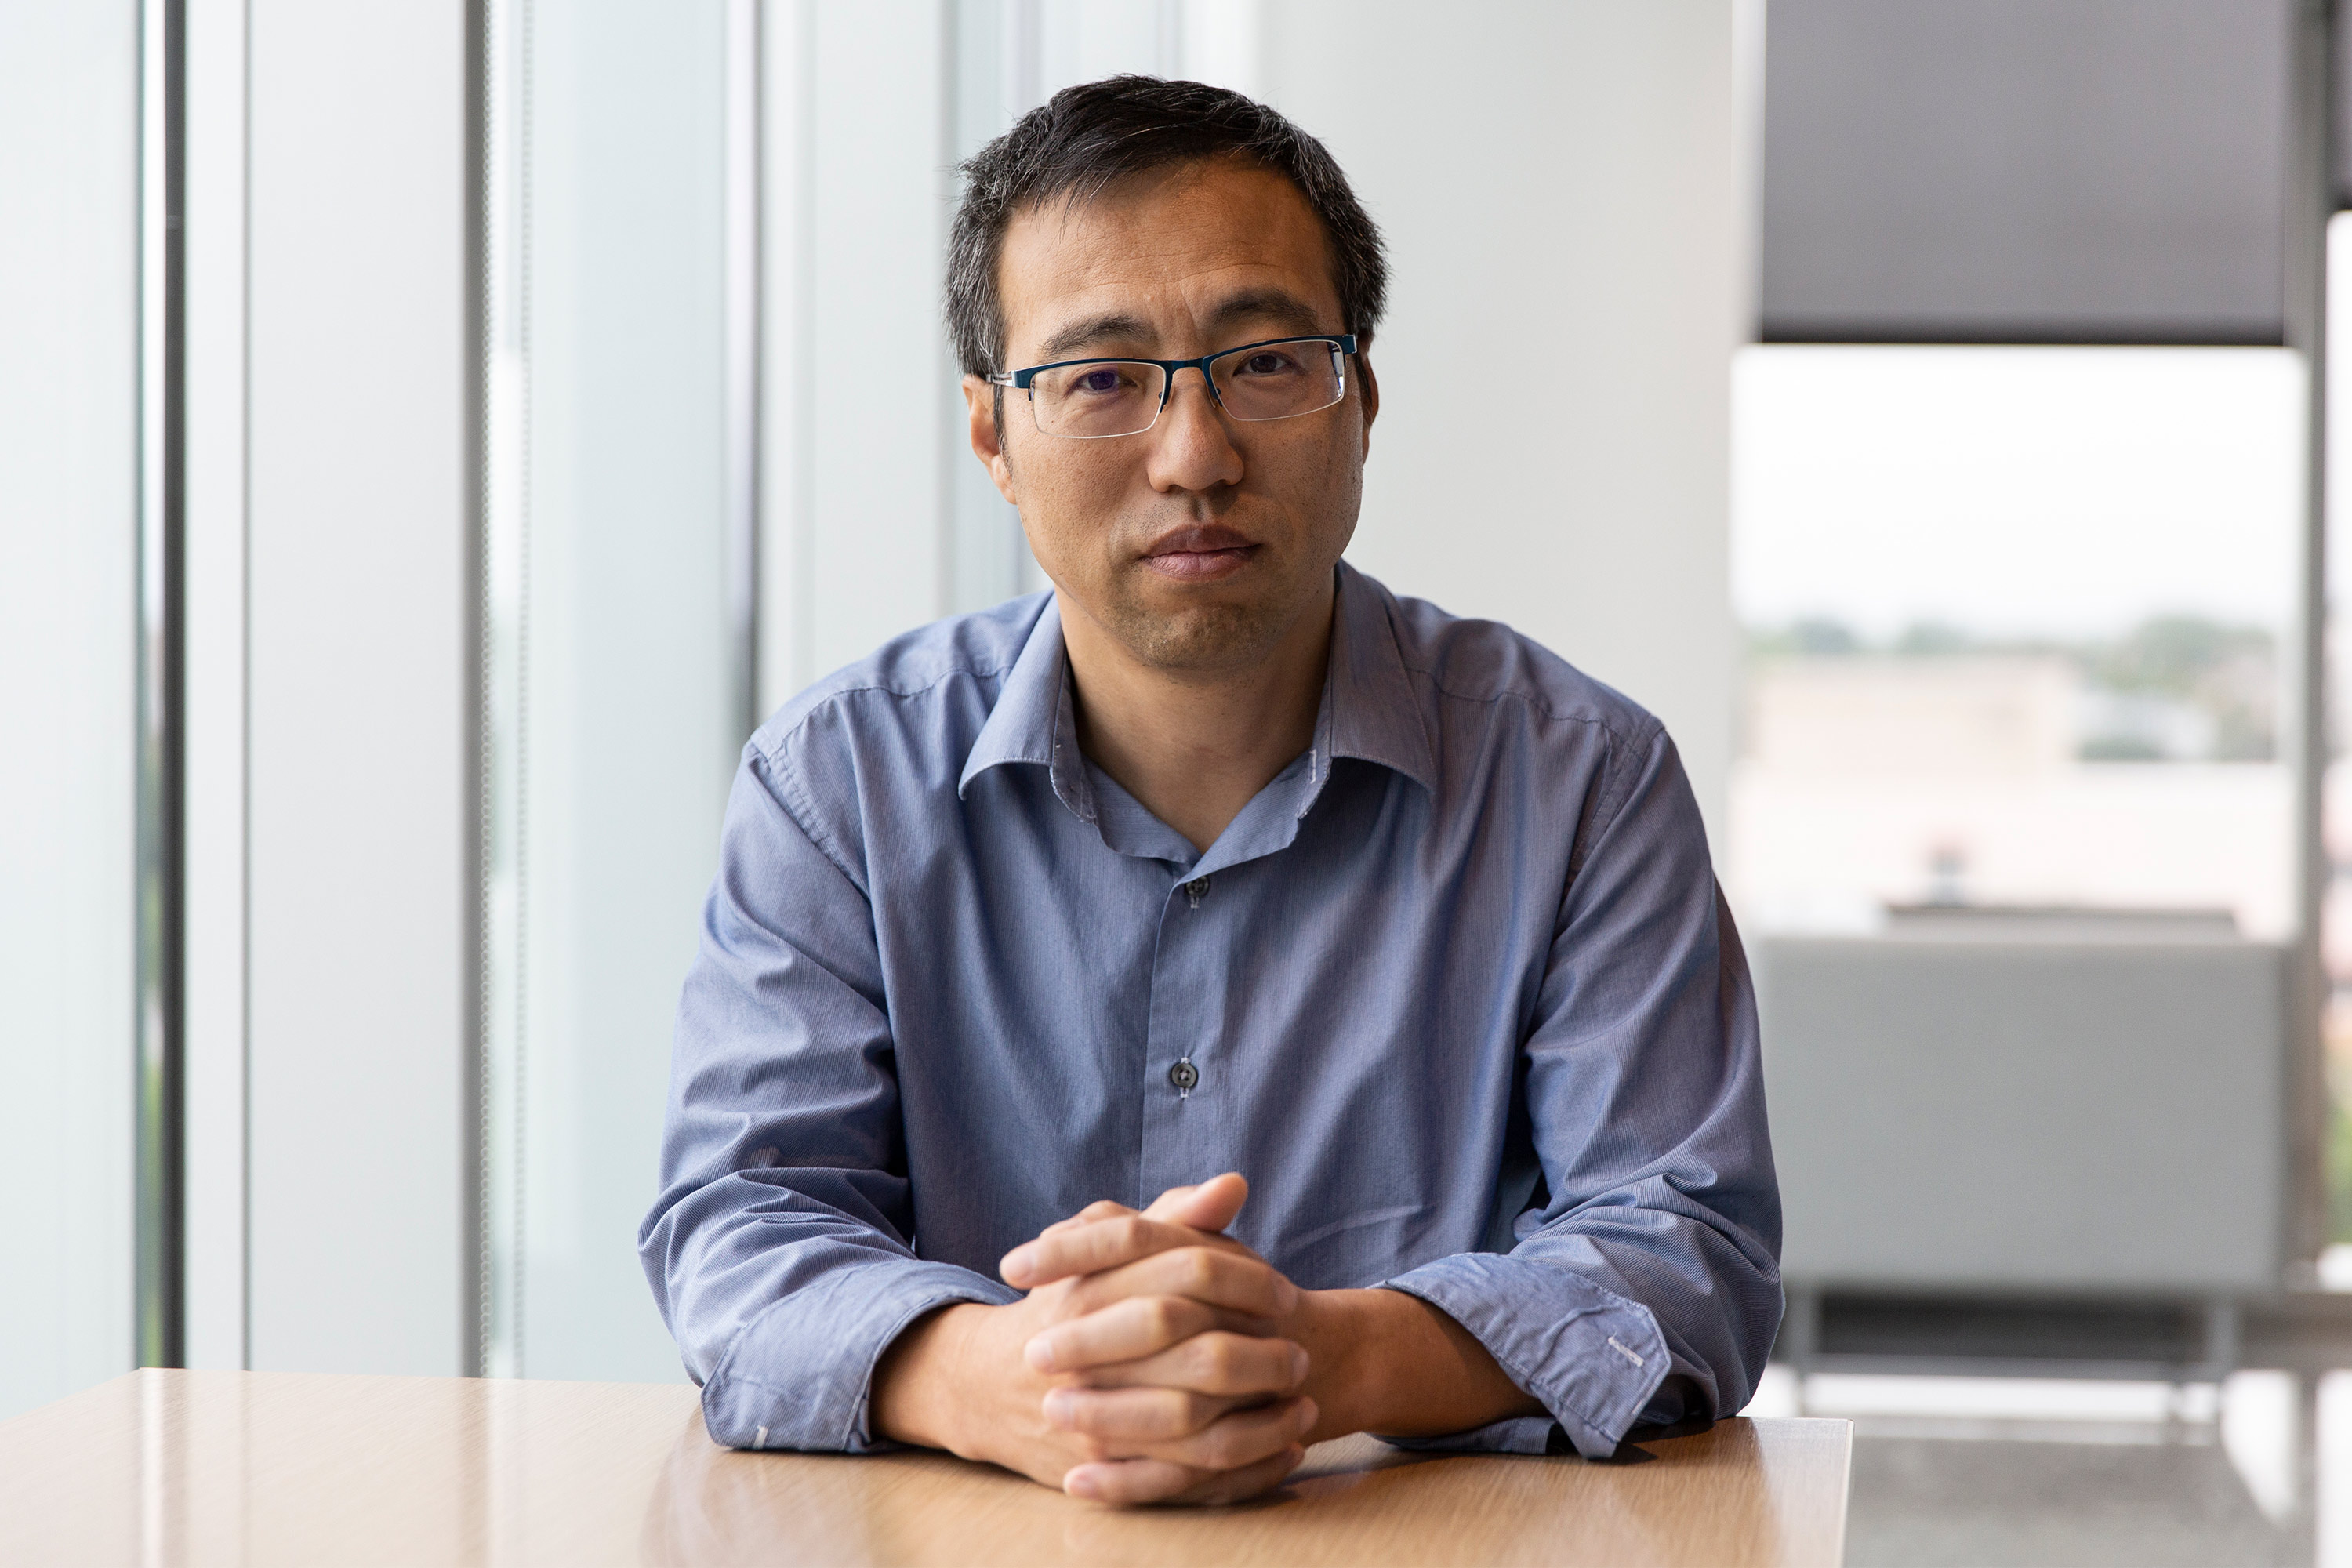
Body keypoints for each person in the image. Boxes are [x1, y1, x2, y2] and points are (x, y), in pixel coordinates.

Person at [639, 74, 1780, 1508]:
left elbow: (1687, 1249)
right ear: (992, 438)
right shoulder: (837, 784)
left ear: (1362, 400)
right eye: (1101, 379)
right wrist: (1011, 1377)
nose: (1196, 457)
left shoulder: (1583, 781)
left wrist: (1325, 1358)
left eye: (1267, 362)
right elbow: (743, 1225)